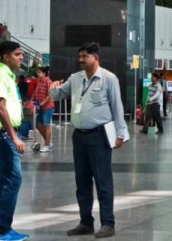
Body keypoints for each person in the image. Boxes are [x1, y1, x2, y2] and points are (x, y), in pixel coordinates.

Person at [49, 42, 126, 239]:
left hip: (99, 136)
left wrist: (120, 134)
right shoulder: (75, 78)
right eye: (80, 56)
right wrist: (53, 88)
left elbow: (118, 107)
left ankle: (108, 223)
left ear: (95, 58)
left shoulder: (109, 78)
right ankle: (86, 222)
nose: (81, 60)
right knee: (82, 182)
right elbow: (59, 94)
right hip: (79, 137)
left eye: (85, 56)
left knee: (103, 181)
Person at [0, 41, 29, 241]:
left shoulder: (9, 76)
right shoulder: (0, 75)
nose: (21, 58)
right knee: (14, 179)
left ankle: (2, 228)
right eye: (18, 54)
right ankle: (2, 230)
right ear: (5, 56)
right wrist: (13, 136)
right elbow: (0, 107)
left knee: (7, 180)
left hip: (6, 134)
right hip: (3, 135)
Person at [31, 66, 54, 153]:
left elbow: (50, 94)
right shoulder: (39, 81)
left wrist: (42, 103)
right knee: (38, 125)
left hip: (48, 107)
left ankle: (47, 145)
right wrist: (32, 100)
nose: (38, 74)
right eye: (37, 72)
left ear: (44, 73)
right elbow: (36, 92)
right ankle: (48, 142)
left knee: (46, 125)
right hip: (39, 107)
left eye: (39, 72)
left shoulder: (48, 81)